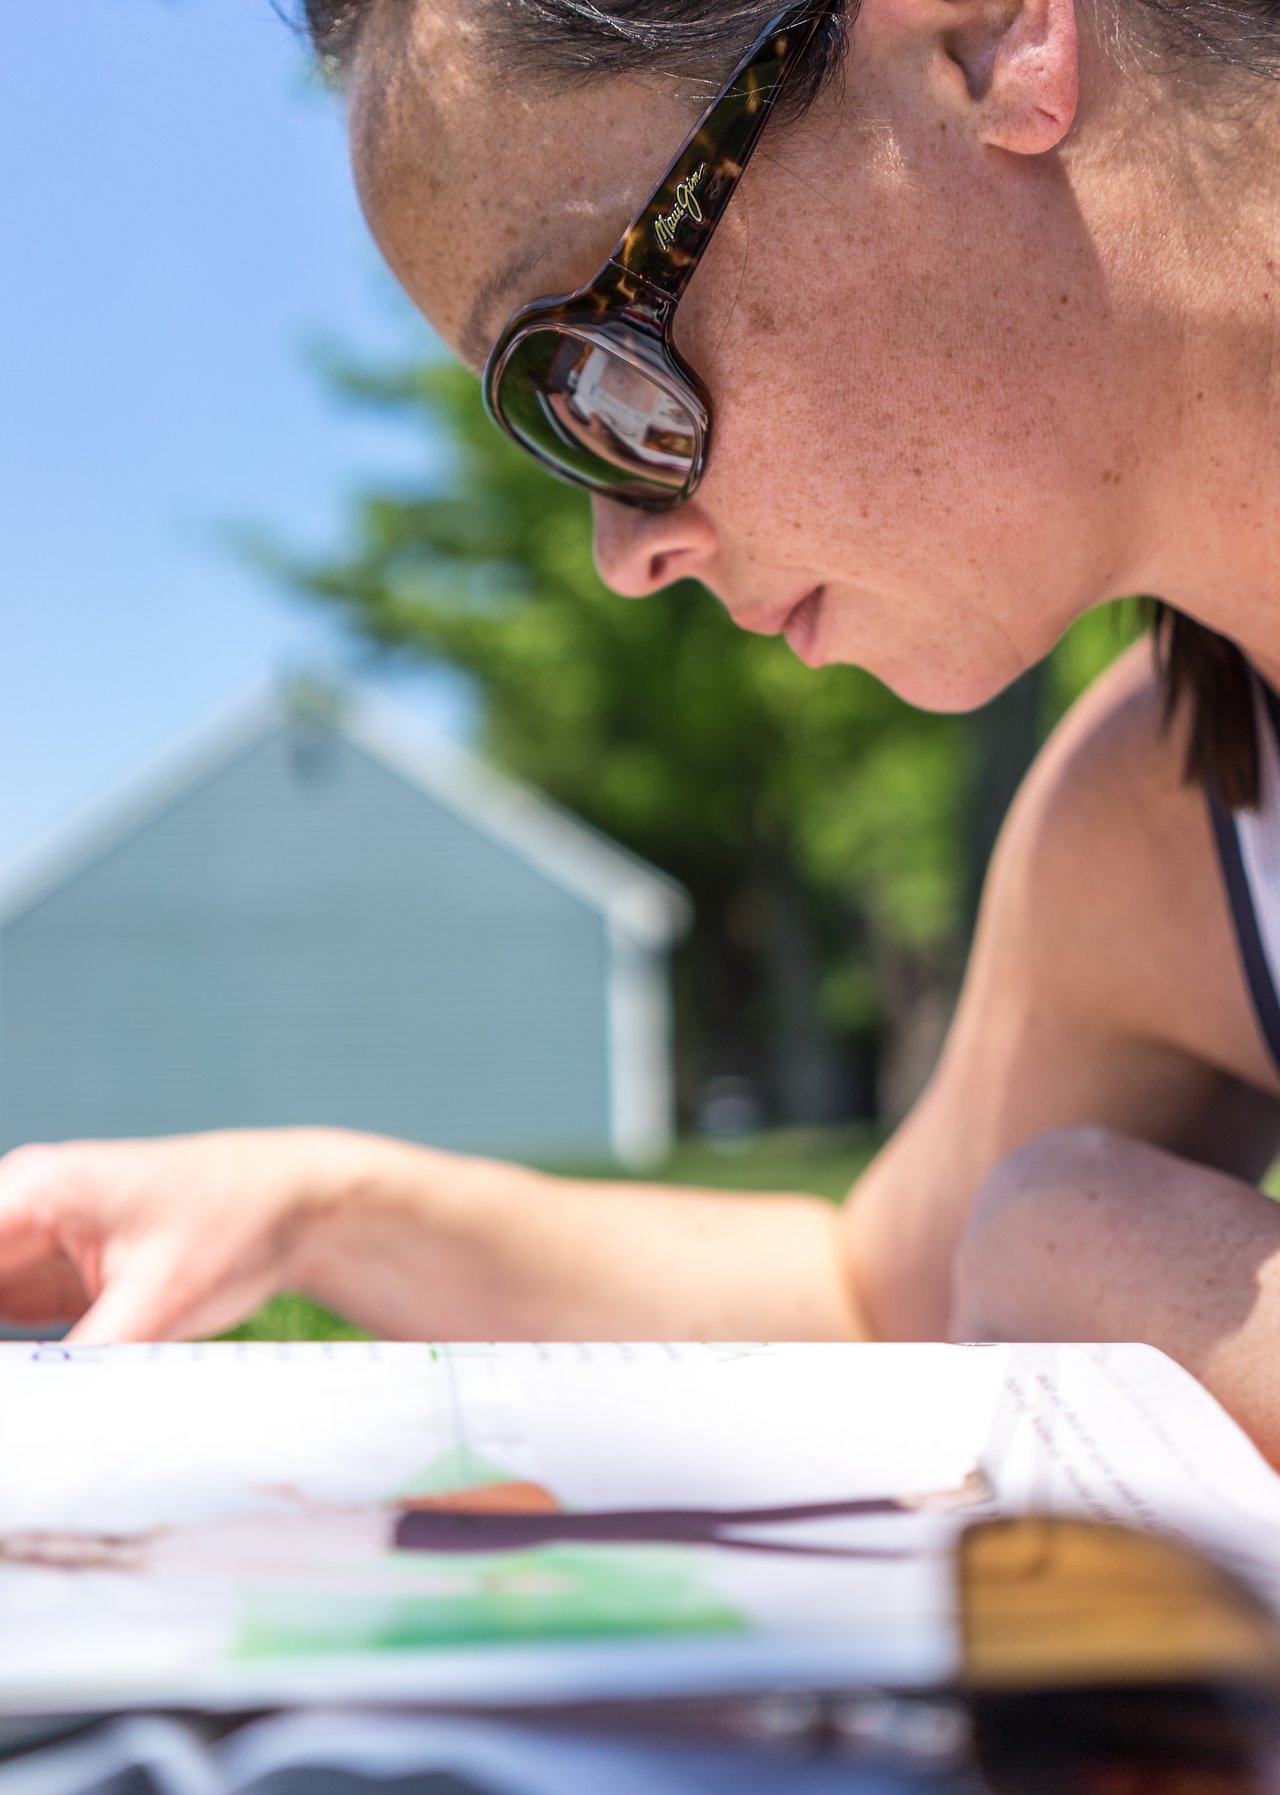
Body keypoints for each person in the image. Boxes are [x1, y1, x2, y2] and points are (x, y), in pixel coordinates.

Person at [0, 0, 1276, 1450]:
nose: (624, 548)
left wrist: (1099, 1251)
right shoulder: (1180, 815)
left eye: (596, 366)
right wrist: (313, 1210)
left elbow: (1013, 1261)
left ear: (989, 37)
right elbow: (871, 1302)